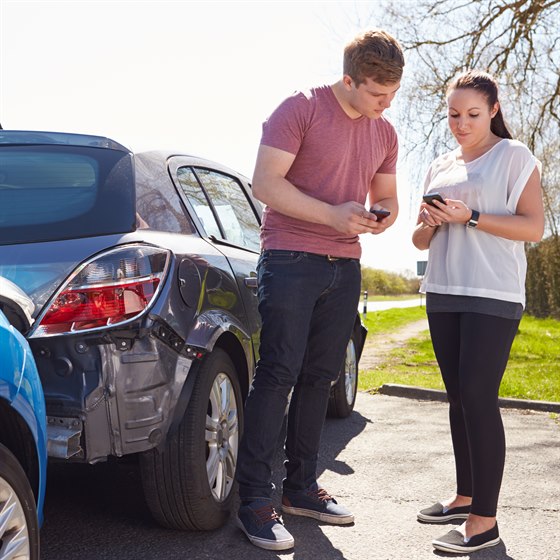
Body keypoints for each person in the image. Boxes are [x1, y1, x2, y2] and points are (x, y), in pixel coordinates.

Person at [235, 29, 405, 551]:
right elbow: (266, 184)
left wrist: (383, 219)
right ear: (349, 80)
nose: (385, 105)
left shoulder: (385, 132)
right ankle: (255, 502)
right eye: (377, 94)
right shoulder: (299, 109)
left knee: (321, 377)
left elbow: (389, 197)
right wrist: (333, 214)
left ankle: (302, 488)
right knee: (280, 370)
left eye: (392, 95)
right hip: (290, 257)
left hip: (345, 264)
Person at [412, 70, 544, 554]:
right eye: (453, 115)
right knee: (457, 397)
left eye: (471, 114)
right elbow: (419, 240)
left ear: (492, 110)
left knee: (477, 395)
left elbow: (533, 228)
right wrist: (430, 223)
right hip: (442, 289)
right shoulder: (439, 164)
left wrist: (469, 216)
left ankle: (484, 522)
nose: (461, 123)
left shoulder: (514, 156)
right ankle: (465, 496)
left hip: (493, 293)